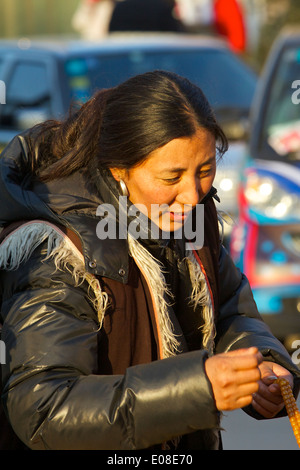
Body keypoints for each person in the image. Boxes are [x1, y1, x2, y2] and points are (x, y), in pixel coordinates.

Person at [0, 71, 299, 451]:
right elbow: (44, 408)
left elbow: (228, 309)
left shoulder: (191, 216)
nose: (192, 194)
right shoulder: (55, 248)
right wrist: (196, 388)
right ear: (118, 167)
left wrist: (268, 366)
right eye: (171, 176)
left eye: (205, 170)